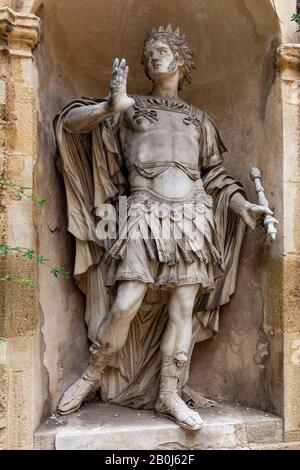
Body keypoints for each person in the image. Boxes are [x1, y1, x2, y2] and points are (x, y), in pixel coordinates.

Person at [55, 26, 276, 430]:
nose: (153, 58)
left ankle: (169, 392)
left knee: (182, 309)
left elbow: (215, 175)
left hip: (193, 216)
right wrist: (109, 106)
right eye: (148, 53)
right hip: (142, 211)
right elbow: (70, 124)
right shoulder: (130, 106)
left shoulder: (199, 119)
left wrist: (243, 206)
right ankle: (92, 374)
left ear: (180, 60)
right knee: (126, 302)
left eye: (160, 51)